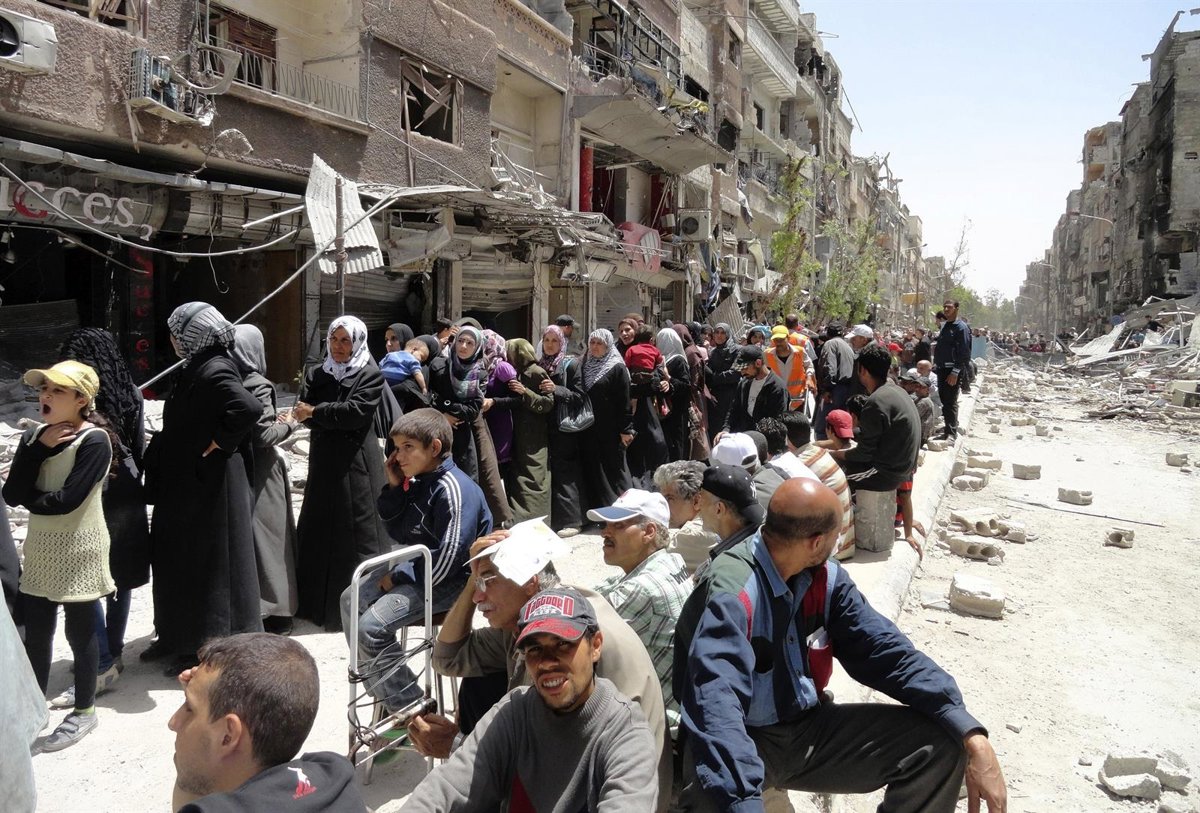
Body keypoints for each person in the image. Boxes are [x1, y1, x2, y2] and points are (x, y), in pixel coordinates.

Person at [674, 478, 1007, 812]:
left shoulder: (825, 578)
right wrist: (742, 800)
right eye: (837, 536)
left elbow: (887, 653)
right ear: (817, 542)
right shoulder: (735, 591)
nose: (838, 545)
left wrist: (971, 734)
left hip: (807, 731)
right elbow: (715, 701)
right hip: (746, 737)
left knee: (939, 745)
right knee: (714, 790)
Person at [417, 532, 672, 809]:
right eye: (534, 649)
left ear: (529, 582)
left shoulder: (585, 639)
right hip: (563, 771)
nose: (478, 597)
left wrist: (456, 744)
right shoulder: (526, 623)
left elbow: (568, 763)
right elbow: (448, 658)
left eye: (488, 580)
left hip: (605, 787)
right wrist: (473, 579)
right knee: (476, 686)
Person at [340, 409, 491, 712]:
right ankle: (385, 693)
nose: (398, 456)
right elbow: (400, 531)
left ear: (434, 448)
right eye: (396, 448)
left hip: (451, 580)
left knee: (371, 628)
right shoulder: (419, 480)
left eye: (408, 447)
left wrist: (398, 577)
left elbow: (449, 560)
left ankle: (412, 708)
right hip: (418, 567)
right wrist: (395, 489)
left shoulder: (453, 489)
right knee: (350, 599)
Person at [145, 303, 262, 673]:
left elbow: (247, 408)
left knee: (205, 566)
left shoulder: (215, 367)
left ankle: (201, 648)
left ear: (192, 335)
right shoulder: (198, 363)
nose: (172, 339)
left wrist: (221, 442)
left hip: (210, 485)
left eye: (177, 332)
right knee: (178, 559)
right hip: (188, 482)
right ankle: (174, 637)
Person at [5, 360, 115, 750]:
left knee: (80, 632)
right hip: (40, 549)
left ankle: (84, 711)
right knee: (37, 633)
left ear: (81, 400)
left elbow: (66, 501)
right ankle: (34, 710)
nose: (45, 396)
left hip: (80, 549)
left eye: (56, 391)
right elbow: (10, 494)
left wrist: (30, 499)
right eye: (43, 389)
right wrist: (37, 450)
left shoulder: (95, 441)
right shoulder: (34, 438)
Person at [168, 633, 366, 813]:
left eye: (189, 709)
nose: (173, 722)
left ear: (228, 736)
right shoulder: (334, 774)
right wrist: (201, 695)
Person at [56, 327, 150, 698]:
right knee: (117, 573)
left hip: (95, 491)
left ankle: (99, 664)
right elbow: (138, 447)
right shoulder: (130, 392)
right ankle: (112, 651)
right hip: (126, 485)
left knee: (84, 576)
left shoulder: (79, 405)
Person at [293, 316, 390, 631]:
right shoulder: (317, 373)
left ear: (357, 343)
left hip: (356, 464)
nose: (338, 346)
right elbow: (302, 412)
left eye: (345, 340)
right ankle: (314, 605)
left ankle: (356, 606)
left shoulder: (370, 375)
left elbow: (355, 414)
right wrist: (320, 415)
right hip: (323, 462)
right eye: (334, 340)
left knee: (356, 532)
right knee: (319, 528)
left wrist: (317, 413)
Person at [589, 491, 692, 728]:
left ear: (649, 532)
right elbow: (605, 589)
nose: (605, 532)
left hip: (656, 724)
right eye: (605, 525)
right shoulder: (670, 561)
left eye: (618, 525)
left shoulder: (642, 588)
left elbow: (574, 626)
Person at [231, 325, 299, 637]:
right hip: (262, 470)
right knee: (272, 538)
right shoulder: (257, 384)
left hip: (239, 468)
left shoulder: (227, 380)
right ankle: (279, 611)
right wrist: (291, 424)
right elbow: (263, 436)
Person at [830, 345, 921, 494]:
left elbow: (864, 453)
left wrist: (834, 454)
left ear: (863, 370)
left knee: (830, 478)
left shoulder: (876, 401)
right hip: (903, 468)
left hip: (886, 473)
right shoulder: (898, 391)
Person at [780, 412, 855, 560]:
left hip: (831, 551)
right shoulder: (818, 452)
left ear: (786, 439)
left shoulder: (797, 465)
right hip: (845, 543)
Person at [537, 324, 585, 537]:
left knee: (566, 473)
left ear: (562, 342)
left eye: (554, 340)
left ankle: (572, 521)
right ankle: (554, 519)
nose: (549, 345)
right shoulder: (540, 364)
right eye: (546, 340)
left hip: (565, 429)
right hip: (545, 427)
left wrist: (556, 389)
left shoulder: (570, 364)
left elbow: (579, 396)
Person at [578, 329, 634, 512]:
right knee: (594, 469)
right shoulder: (584, 364)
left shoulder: (617, 368)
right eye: (592, 342)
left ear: (608, 346)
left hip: (611, 429)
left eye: (599, 343)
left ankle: (623, 511)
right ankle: (599, 511)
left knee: (614, 470)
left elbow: (624, 401)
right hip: (588, 427)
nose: (594, 347)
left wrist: (626, 429)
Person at [502, 339, 554, 522]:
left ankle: (538, 519)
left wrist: (525, 392)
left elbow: (548, 403)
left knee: (534, 475)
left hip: (534, 433)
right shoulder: (513, 372)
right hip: (518, 432)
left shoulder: (536, 372)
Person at [428, 326, 487, 480]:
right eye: (460, 341)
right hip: (436, 431)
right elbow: (427, 397)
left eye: (470, 343)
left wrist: (444, 404)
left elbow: (471, 411)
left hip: (462, 436)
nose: (463, 346)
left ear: (477, 347)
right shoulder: (438, 366)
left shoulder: (479, 375)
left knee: (463, 480)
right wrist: (442, 416)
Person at [692, 464, 763, 579]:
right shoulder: (760, 542)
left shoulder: (729, 566)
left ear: (719, 509)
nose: (698, 506)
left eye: (701, 499)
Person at [653, 460, 720, 575]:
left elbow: (645, 550)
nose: (663, 506)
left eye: (669, 498)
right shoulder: (715, 517)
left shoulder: (695, 533)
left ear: (697, 501)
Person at [625, 325, 669, 481]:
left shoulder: (631, 350)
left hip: (635, 389)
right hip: (650, 390)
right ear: (651, 339)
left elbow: (626, 366)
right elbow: (661, 366)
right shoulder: (655, 351)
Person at [720, 345, 788, 437]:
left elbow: (776, 422)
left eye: (745, 368)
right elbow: (734, 409)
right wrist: (726, 429)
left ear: (758, 363)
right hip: (745, 436)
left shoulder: (777, 388)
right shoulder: (744, 383)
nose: (742, 373)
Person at [934, 300, 972, 439]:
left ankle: (951, 433)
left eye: (949, 307)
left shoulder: (961, 327)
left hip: (952, 370)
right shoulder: (945, 326)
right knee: (944, 400)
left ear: (956, 309)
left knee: (950, 401)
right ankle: (948, 426)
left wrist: (955, 372)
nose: (946, 309)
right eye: (944, 307)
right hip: (941, 368)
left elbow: (964, 352)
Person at [656, 326, 694, 462]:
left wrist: (669, 379)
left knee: (677, 444)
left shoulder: (679, 360)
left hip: (677, 411)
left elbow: (686, 386)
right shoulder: (659, 360)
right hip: (663, 411)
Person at [815, 323, 858, 440]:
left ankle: (822, 449)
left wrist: (827, 389)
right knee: (839, 427)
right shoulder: (848, 347)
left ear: (828, 334)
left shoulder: (830, 344)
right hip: (847, 390)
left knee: (823, 427)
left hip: (834, 390)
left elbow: (829, 366)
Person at [765, 325, 816, 413]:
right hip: (777, 400)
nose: (778, 343)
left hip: (798, 401)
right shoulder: (767, 354)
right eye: (776, 340)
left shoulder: (800, 352)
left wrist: (809, 378)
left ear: (788, 338)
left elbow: (809, 365)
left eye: (781, 340)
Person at [704, 322, 740, 443]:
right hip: (716, 398)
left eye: (723, 333)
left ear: (728, 334)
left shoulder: (737, 350)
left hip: (732, 396)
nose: (719, 336)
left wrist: (715, 378)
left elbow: (735, 374)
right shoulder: (713, 352)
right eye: (717, 332)